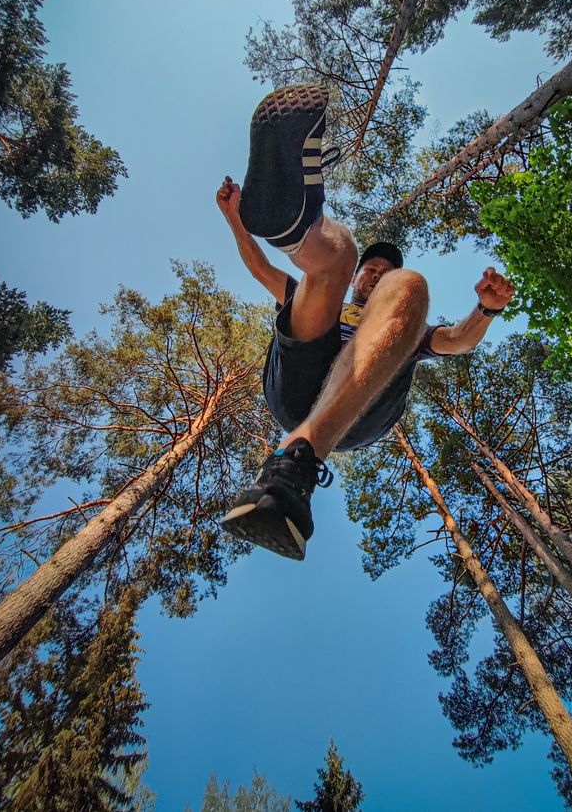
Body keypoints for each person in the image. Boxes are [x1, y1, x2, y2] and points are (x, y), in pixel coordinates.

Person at [216, 84, 515, 561]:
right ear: (359, 280)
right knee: (335, 256)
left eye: (382, 271)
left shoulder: (406, 330)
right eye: (371, 271)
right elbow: (261, 271)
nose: (376, 273)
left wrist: (486, 310)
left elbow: (458, 341)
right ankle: (293, 229)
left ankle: (296, 464)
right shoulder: (321, 296)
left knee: (412, 284)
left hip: (355, 415)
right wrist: (236, 218)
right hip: (295, 384)